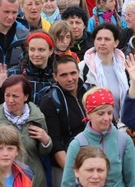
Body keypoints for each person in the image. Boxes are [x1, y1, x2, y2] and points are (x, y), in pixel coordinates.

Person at [61, 87, 135, 187]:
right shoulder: (77, 144)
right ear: (88, 114)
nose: (107, 118)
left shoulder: (123, 140)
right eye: (100, 113)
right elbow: (68, 183)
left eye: (110, 113)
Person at [0, 75, 52, 187]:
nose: (10, 100)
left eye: (15, 96)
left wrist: (46, 141)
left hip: (35, 181)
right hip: (5, 182)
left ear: (26, 96)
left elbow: (43, 153)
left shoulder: (37, 118)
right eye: (7, 95)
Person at [39, 55, 87, 185]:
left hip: (94, 161)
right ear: (55, 77)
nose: (70, 79)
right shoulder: (49, 101)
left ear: (79, 72)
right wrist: (74, 174)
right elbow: (55, 142)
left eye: (73, 73)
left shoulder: (90, 92)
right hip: (65, 165)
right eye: (64, 75)